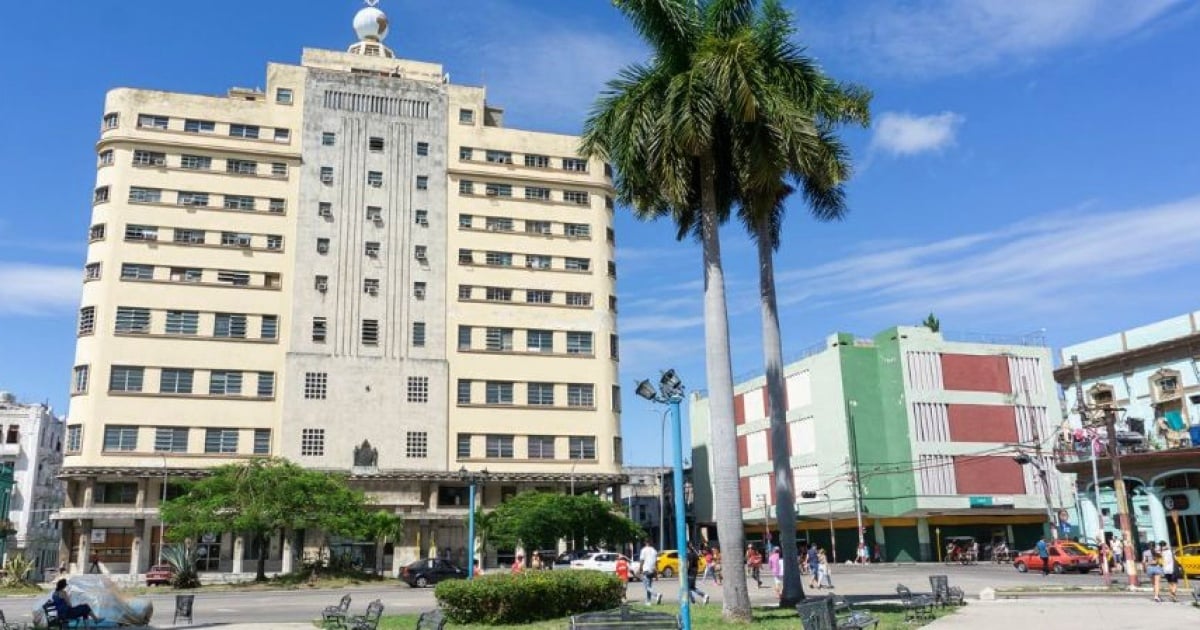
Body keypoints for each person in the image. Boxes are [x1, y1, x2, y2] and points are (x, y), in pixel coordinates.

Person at [639, 540, 662, 605]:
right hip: (653, 570)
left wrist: (640, 569)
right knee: (649, 586)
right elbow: (656, 562)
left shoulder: (643, 550)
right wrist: (657, 573)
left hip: (646, 570)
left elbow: (642, 560)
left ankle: (656, 595)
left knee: (647, 587)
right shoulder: (654, 550)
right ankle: (648, 601)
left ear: (645, 543)